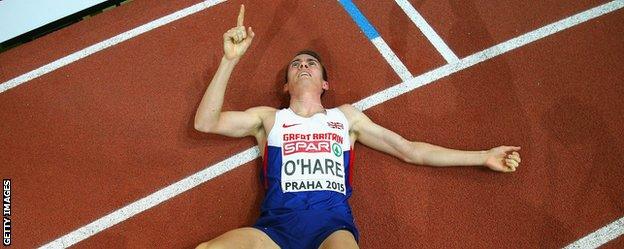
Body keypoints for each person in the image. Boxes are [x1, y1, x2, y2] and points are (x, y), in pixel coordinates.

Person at [194, 5, 522, 249]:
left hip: (331, 230)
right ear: (286, 86)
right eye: (296, 65)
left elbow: (412, 151)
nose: (303, 66)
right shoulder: (268, 119)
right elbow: (206, 122)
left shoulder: (347, 118)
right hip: (275, 231)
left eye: (311, 64)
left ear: (325, 83)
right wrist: (230, 60)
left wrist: (483, 156)